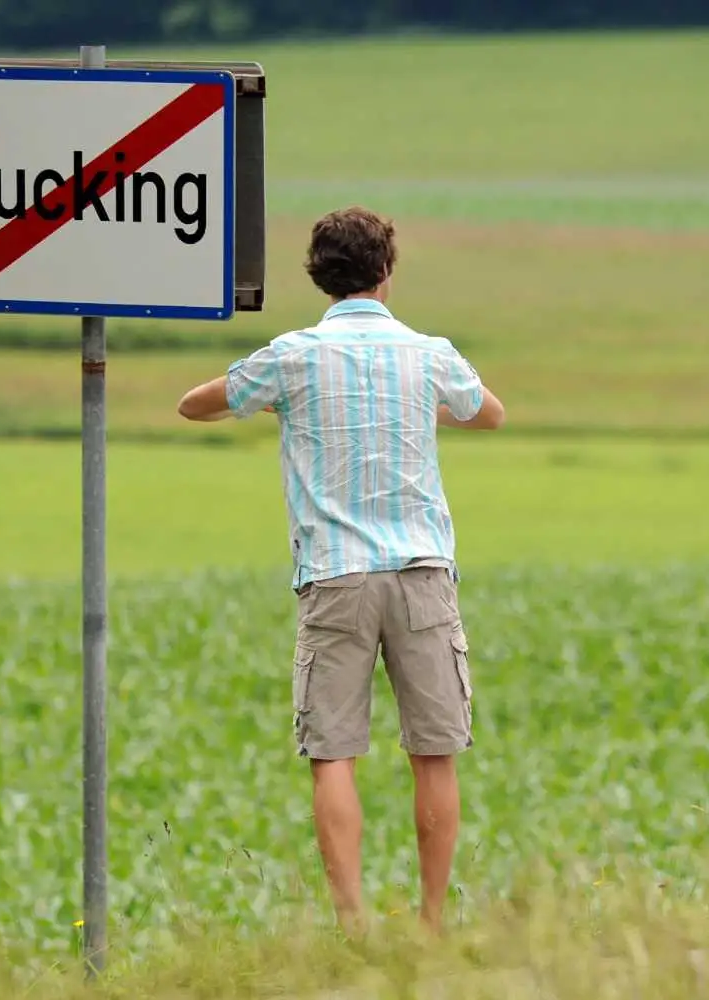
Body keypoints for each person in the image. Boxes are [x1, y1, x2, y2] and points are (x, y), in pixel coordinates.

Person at [176, 206, 506, 936]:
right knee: (435, 750)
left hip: (332, 576)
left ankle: (353, 924)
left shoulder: (292, 357)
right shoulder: (428, 351)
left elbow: (195, 405)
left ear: (320, 277)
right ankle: (430, 923)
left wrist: (265, 403)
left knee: (333, 753)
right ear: (386, 274)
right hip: (421, 570)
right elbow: (489, 413)